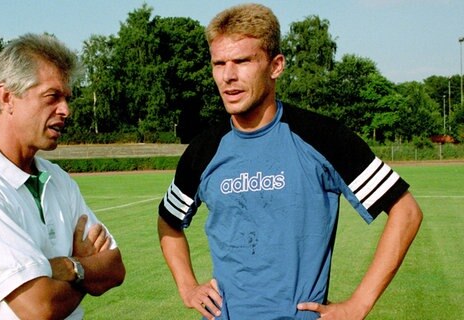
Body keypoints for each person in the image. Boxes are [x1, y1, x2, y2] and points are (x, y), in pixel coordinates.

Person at [157, 3, 422, 320]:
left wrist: (359, 304)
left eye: (242, 61)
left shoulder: (323, 137)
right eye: (219, 63)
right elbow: (168, 222)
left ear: (275, 65)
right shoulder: (204, 149)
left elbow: (406, 212)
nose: (228, 76)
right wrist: (188, 287)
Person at [0, 33, 125, 319]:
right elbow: (39, 307)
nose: (66, 110)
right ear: (7, 96)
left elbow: (115, 268)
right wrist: (84, 267)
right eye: (52, 96)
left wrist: (71, 268)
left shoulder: (58, 179)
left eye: (67, 98)